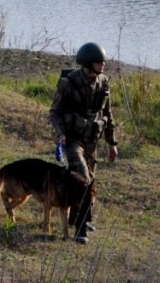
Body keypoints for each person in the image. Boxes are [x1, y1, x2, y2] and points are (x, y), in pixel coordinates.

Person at [48, 41, 119, 244]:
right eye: (98, 62)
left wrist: (112, 143)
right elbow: (55, 111)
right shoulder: (68, 83)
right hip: (73, 140)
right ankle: (81, 229)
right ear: (88, 63)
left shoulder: (103, 82)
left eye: (103, 62)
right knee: (82, 179)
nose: (102, 65)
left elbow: (108, 114)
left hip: (92, 140)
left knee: (91, 182)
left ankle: (80, 218)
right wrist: (60, 133)